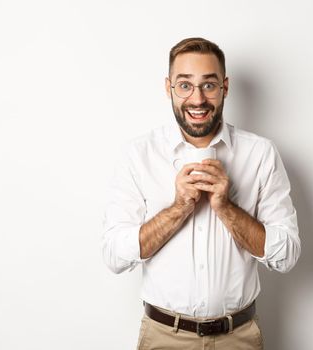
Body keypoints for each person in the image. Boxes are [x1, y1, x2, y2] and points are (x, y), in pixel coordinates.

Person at [102, 37, 301, 350]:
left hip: (238, 337)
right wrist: (179, 207)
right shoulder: (139, 155)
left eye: (208, 85)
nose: (197, 99)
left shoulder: (260, 154)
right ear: (169, 88)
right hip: (163, 337)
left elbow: (287, 255)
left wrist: (226, 207)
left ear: (225, 87)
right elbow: (115, 255)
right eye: (184, 85)